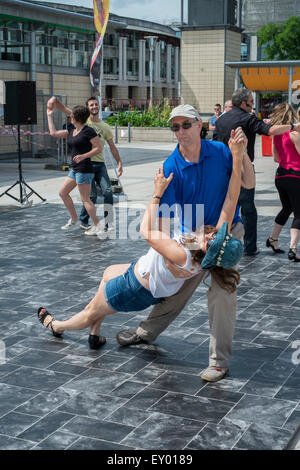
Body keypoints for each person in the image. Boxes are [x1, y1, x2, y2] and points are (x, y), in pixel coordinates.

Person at [37, 124, 247, 355]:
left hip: (135, 287)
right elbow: (231, 196)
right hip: (136, 272)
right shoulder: (202, 247)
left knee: (90, 312)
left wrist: (156, 193)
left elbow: (146, 232)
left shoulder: (184, 254)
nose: (210, 234)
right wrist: (237, 158)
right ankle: (95, 334)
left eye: (211, 240)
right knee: (107, 273)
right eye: (216, 234)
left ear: (209, 252)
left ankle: (57, 326)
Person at [115, 104, 253, 383]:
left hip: (227, 229)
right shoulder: (171, 167)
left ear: (199, 125)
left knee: (222, 290)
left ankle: (219, 361)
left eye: (185, 125)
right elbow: (163, 222)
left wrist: (242, 153)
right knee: (179, 285)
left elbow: (246, 183)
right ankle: (147, 331)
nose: (180, 132)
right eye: (175, 127)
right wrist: (168, 257)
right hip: (191, 233)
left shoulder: (222, 152)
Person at [215, 88, 300, 256]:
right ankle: (250, 247)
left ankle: (221, 244)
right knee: (247, 209)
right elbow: (269, 130)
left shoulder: (221, 120)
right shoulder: (248, 118)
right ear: (243, 103)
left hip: (223, 170)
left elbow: (215, 144)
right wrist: (293, 126)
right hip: (243, 169)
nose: (253, 105)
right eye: (251, 102)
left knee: (226, 207)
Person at [50, 96, 123, 235]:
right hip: (80, 165)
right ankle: (82, 221)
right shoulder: (81, 120)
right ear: (87, 109)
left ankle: (106, 223)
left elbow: (112, 147)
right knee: (88, 196)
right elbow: (65, 111)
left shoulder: (103, 127)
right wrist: (53, 103)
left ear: (99, 106)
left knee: (106, 192)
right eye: (91, 105)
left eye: (96, 104)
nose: (94, 107)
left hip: (96, 164)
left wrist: (119, 162)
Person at [47, 98, 104, 235]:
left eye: (71, 116)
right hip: (75, 169)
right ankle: (74, 219)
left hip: (84, 170)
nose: (70, 117)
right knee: (63, 193)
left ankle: (98, 227)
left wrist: (84, 156)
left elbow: (98, 148)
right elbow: (53, 133)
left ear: (76, 118)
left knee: (85, 199)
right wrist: (49, 115)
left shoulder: (88, 131)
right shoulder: (72, 131)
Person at [266, 103, 300, 261]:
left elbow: (276, 158)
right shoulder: (294, 133)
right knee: (298, 213)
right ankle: (293, 249)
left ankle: (273, 239)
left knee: (287, 208)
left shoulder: (277, 135)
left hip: (280, 176)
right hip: (295, 176)